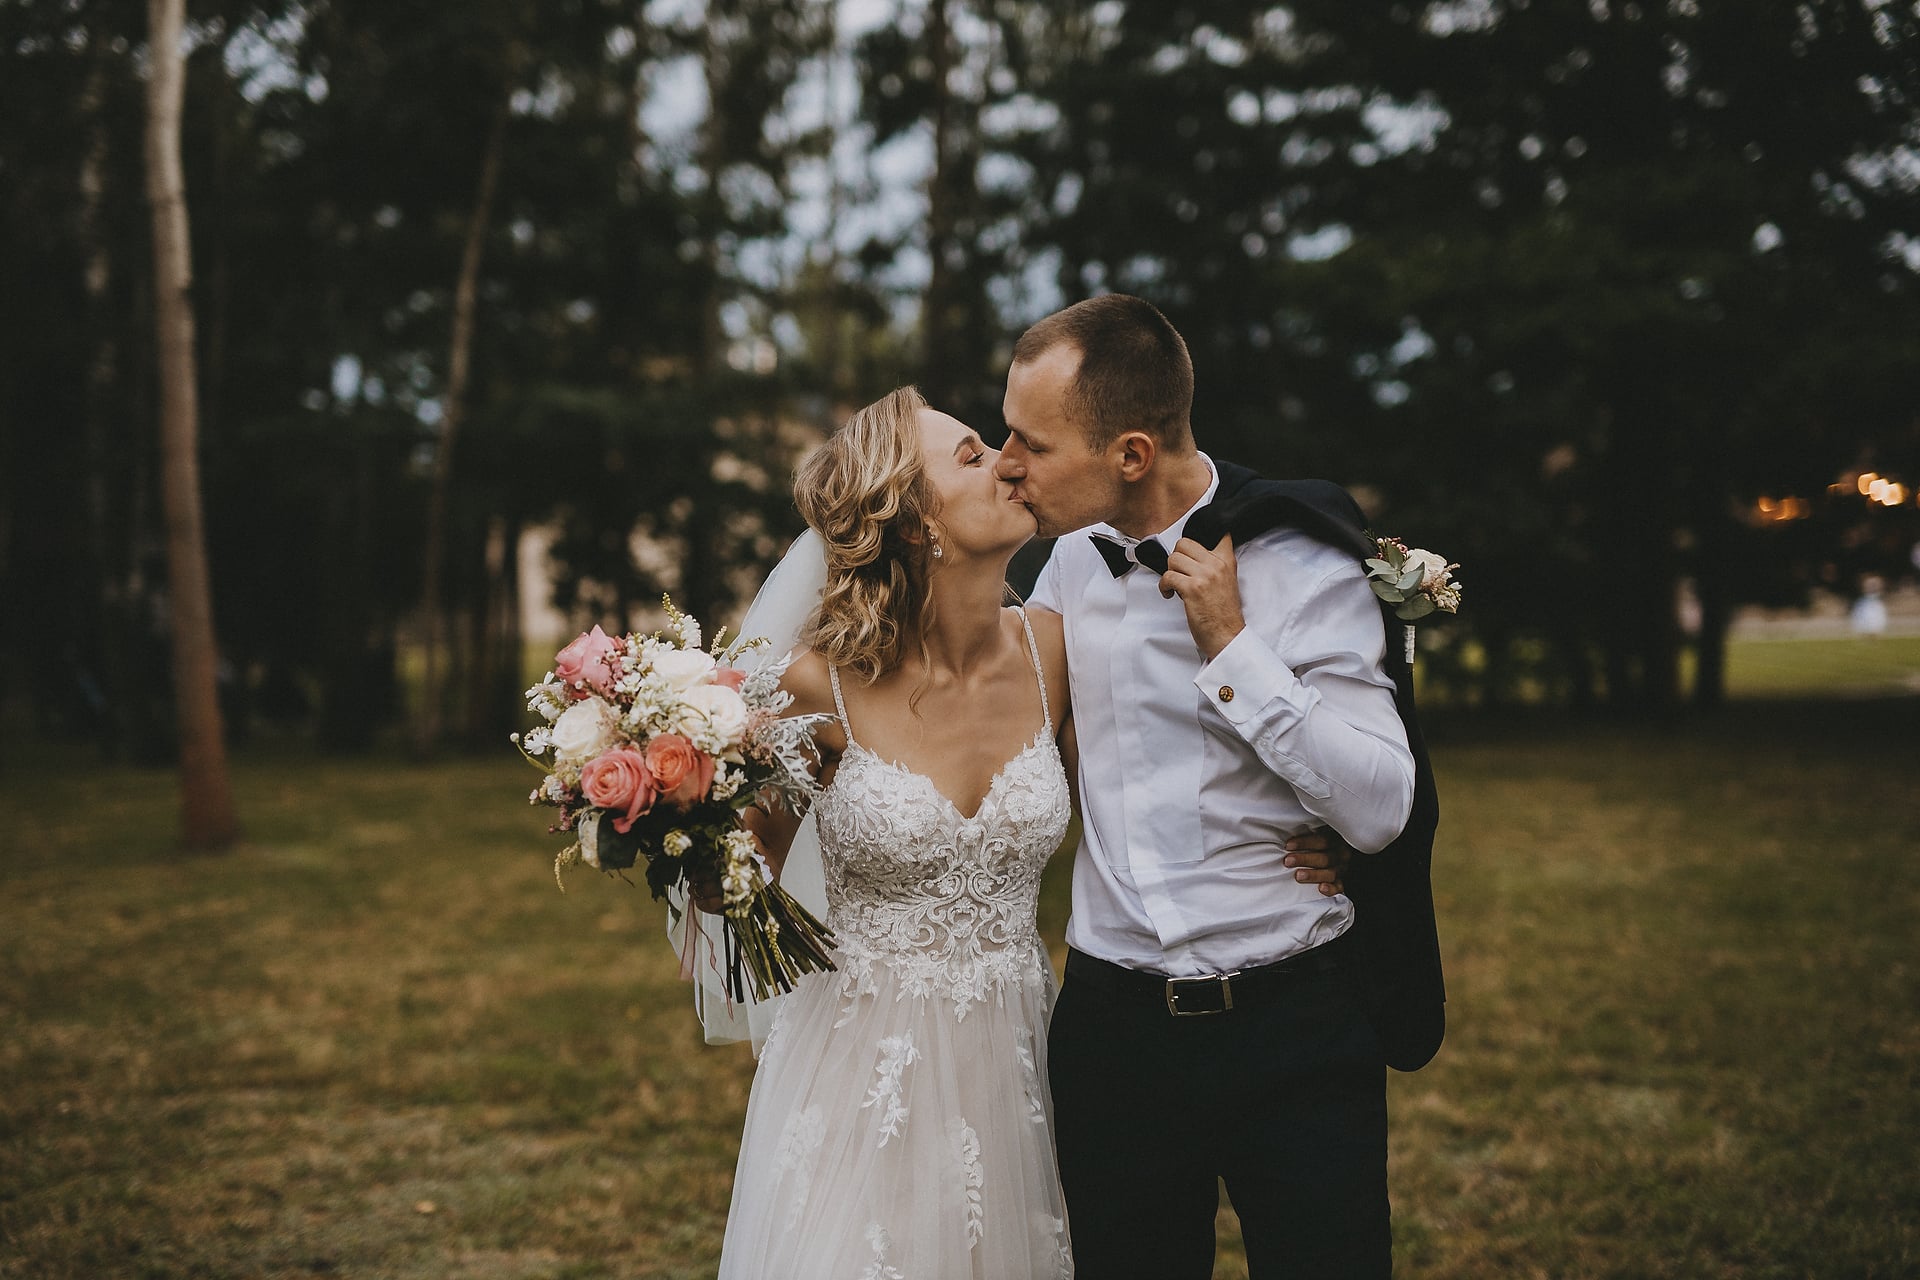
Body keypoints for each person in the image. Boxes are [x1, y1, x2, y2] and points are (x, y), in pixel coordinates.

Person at [707, 385, 1350, 1278]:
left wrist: (1329, 831)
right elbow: (744, 884)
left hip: (1019, 1061)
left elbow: (1152, 780)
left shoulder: (1055, 648)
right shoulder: (817, 688)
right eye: (973, 457)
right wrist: (684, 827)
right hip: (862, 1069)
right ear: (911, 520)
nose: (1011, 462)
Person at [995, 294, 1426, 1279]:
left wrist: (1232, 647)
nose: (1009, 460)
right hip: (1113, 1031)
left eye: (1032, 442)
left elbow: (1381, 807)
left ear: (1131, 453)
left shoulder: (1306, 559)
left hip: (1295, 1023)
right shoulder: (1068, 560)